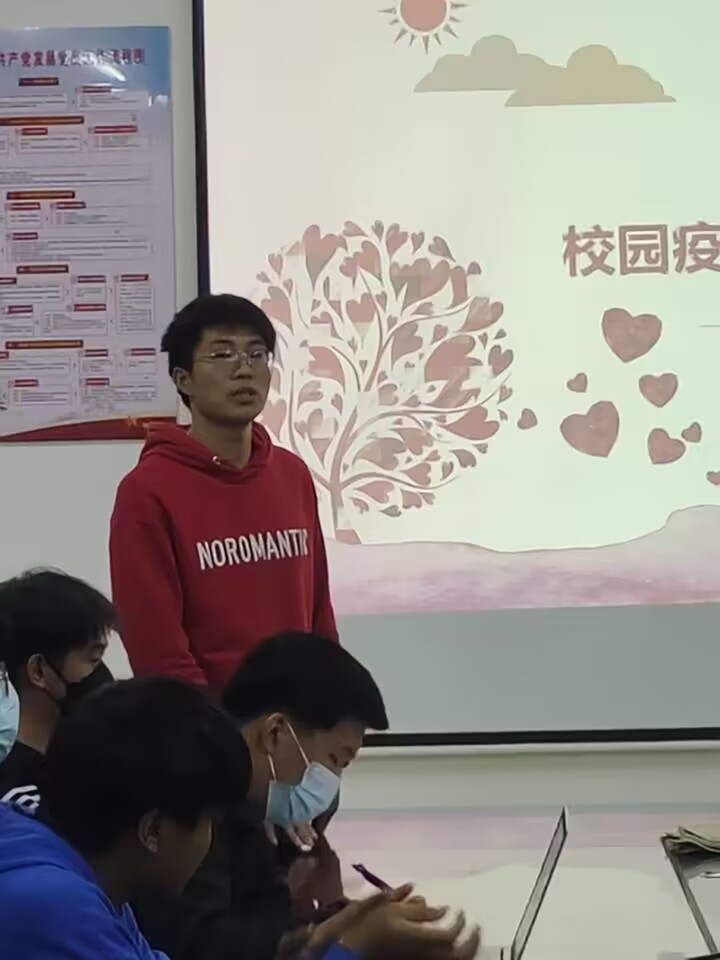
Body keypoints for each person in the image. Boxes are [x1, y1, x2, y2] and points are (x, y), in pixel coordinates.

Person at [0, 677, 480, 960]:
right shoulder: (52, 905)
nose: (210, 841)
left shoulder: (70, 863)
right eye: (208, 822)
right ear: (153, 830)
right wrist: (349, 950)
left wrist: (315, 946)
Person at [110, 294, 337, 691]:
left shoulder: (292, 474)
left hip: (298, 717)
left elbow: (319, 610)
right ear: (183, 379)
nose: (243, 369)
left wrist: (329, 699)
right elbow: (155, 646)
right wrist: (210, 724)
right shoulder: (146, 491)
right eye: (222, 355)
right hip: (209, 722)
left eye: (256, 354)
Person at [133, 632, 389, 960]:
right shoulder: (193, 804)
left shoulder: (255, 813)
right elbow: (204, 948)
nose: (333, 782)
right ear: (275, 733)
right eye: (335, 760)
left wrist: (337, 914)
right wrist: (345, 936)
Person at [0, 569, 115, 811]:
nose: (102, 675)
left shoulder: (78, 769)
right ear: (39, 671)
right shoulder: (25, 799)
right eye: (92, 660)